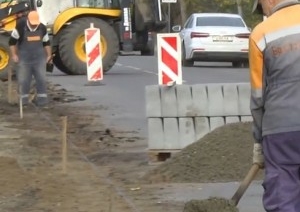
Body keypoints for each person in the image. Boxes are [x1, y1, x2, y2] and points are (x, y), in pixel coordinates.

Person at [250, 0, 300, 211]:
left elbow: (258, 96)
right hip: (282, 128)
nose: (264, 12)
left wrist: (259, 139)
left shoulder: (261, 34)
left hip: (281, 129)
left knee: (283, 191)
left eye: (262, 7)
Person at [8, 10, 52, 107]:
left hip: (39, 59)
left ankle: (42, 101)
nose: (34, 26)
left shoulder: (42, 28)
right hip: (24, 59)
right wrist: (14, 55)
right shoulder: (20, 26)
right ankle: (23, 102)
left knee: (41, 79)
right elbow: (11, 42)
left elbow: (46, 43)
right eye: (32, 24)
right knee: (24, 80)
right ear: (28, 19)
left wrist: (49, 55)